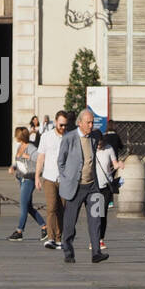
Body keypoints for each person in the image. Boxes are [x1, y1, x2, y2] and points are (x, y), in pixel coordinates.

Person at [58, 109, 109, 264]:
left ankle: (96, 252)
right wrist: (66, 179)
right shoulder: (69, 138)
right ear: (79, 123)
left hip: (93, 186)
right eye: (88, 122)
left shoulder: (94, 137)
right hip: (76, 186)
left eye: (92, 122)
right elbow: (61, 162)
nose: (91, 125)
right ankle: (68, 251)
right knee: (70, 222)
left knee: (96, 219)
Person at [34, 111, 68, 250]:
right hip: (49, 177)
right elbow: (41, 157)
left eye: (65, 125)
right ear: (55, 122)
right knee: (51, 207)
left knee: (62, 209)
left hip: (65, 179)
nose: (63, 128)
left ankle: (60, 238)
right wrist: (37, 176)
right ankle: (51, 237)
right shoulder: (46, 137)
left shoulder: (70, 137)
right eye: (61, 125)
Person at [8, 126, 46, 241]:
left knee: (23, 206)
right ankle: (45, 227)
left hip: (29, 178)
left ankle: (19, 230)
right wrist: (13, 167)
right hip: (21, 178)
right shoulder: (20, 146)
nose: (15, 137)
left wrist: (28, 156)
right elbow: (18, 161)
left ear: (20, 136)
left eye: (16, 135)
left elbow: (39, 158)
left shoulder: (31, 147)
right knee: (28, 206)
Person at [94, 134, 121, 251]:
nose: (99, 146)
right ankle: (94, 238)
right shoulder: (90, 148)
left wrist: (118, 165)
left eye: (101, 143)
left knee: (103, 213)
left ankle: (100, 239)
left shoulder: (109, 148)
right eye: (98, 144)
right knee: (95, 214)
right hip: (94, 186)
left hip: (106, 185)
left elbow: (114, 163)